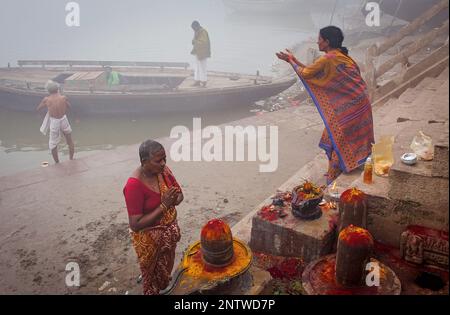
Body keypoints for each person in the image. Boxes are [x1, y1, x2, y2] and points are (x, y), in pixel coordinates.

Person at [276, 26, 374, 184]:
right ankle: (345, 165)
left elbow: (306, 74)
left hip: (352, 106)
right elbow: (311, 70)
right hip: (361, 102)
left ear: (327, 42)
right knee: (333, 135)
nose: (317, 42)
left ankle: (333, 177)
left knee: (338, 137)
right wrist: (293, 59)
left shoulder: (328, 58)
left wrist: (290, 61)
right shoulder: (341, 56)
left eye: (320, 39)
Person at [123, 140, 183, 295]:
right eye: (158, 161)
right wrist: (164, 205)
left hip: (168, 237)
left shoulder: (164, 172)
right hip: (150, 242)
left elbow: (180, 195)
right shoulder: (133, 185)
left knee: (165, 268)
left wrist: (174, 199)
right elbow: (135, 224)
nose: (163, 163)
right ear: (144, 162)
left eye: (165, 159)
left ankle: (163, 282)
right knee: (151, 277)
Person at [37, 80, 75, 163]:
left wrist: (44, 113)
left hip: (54, 122)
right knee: (70, 140)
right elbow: (69, 107)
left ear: (48, 91)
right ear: (58, 89)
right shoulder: (63, 98)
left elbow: (38, 108)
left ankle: (57, 163)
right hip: (64, 119)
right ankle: (71, 159)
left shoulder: (47, 99)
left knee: (53, 144)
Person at [191, 20, 211, 87]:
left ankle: (204, 81)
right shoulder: (197, 31)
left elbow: (204, 42)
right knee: (196, 67)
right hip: (197, 52)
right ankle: (197, 81)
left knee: (202, 67)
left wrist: (195, 41)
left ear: (197, 26)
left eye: (193, 28)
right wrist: (194, 41)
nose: (193, 30)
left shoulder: (203, 32)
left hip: (203, 53)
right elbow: (196, 40)